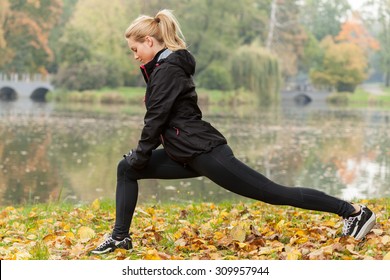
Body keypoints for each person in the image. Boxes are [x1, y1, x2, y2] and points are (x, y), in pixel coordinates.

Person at [90, 9, 376, 254]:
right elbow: (162, 120)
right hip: (184, 151)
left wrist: (142, 153)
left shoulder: (168, 70)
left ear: (149, 41)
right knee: (126, 168)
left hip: (204, 152)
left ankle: (353, 211)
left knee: (272, 192)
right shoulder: (163, 67)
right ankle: (120, 237)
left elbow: (156, 120)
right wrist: (138, 158)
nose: (134, 54)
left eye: (135, 48)